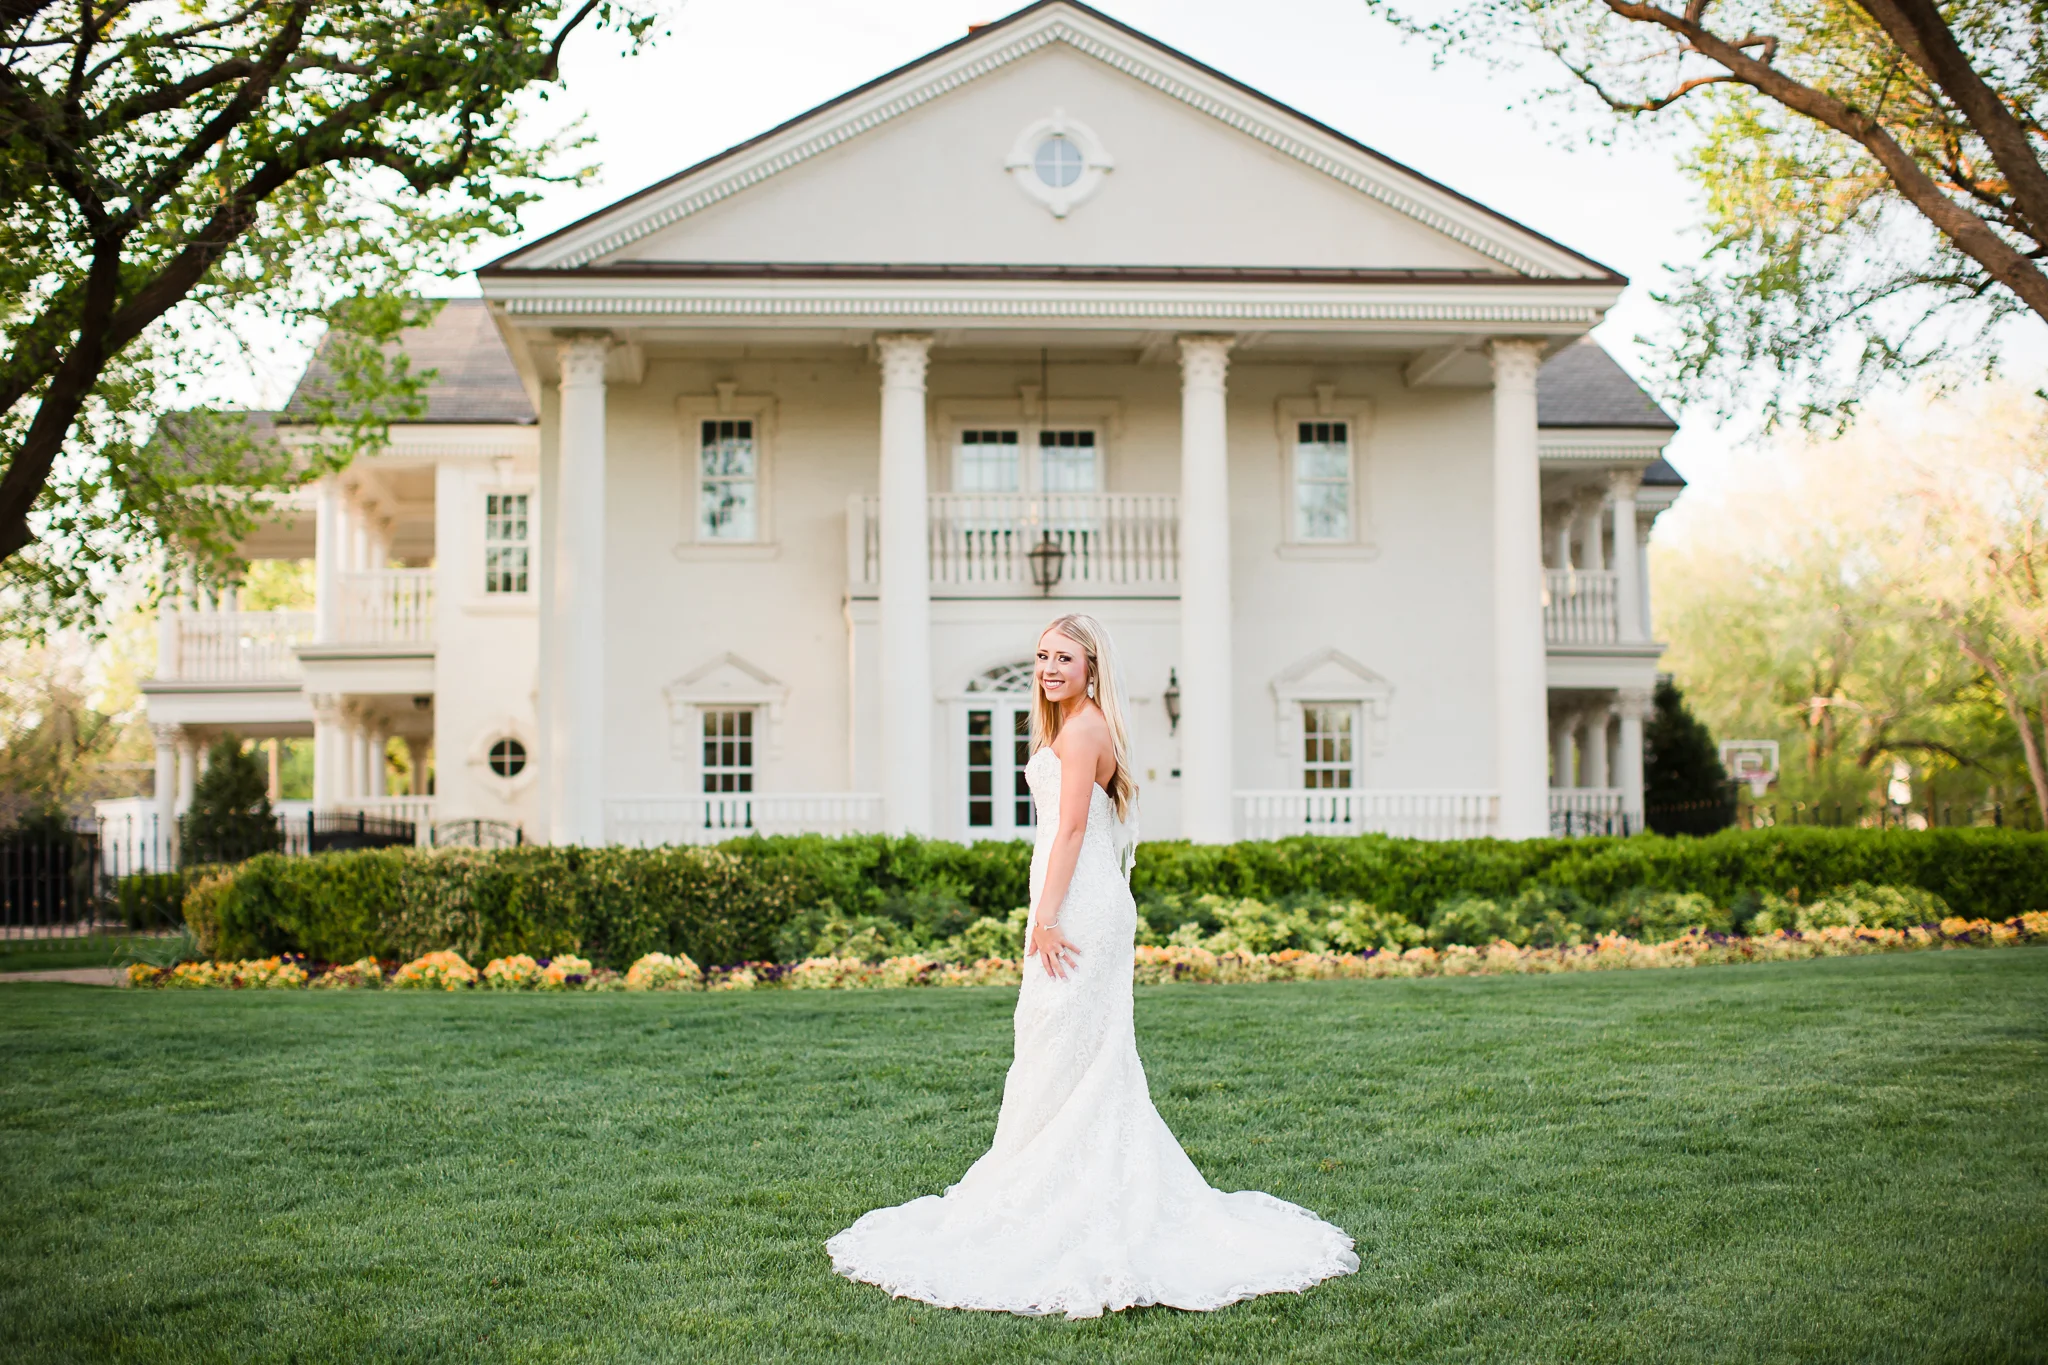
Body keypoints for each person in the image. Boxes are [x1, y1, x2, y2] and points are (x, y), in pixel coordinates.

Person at [827, 613, 1358, 1318]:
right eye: (1042, 655)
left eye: (1064, 658)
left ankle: (1069, 1189)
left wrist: (1046, 917)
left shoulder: (1081, 731)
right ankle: (1041, 1173)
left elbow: (1073, 827)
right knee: (1059, 1047)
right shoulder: (1065, 725)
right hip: (1071, 897)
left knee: (1065, 1043)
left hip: (1079, 909)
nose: (1049, 667)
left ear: (1091, 669)